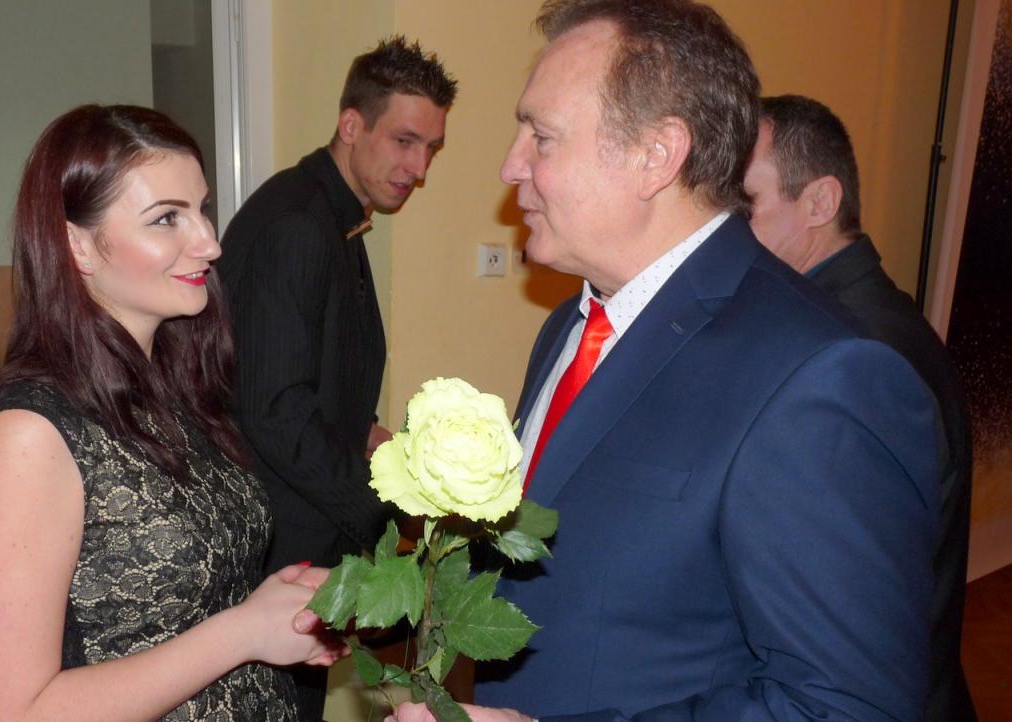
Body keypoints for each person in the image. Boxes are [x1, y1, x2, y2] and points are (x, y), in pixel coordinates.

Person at [388, 1, 940, 720]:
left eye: (542, 137)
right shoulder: (568, 328)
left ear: (657, 155)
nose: (511, 165)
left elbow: (847, 707)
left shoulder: (821, 377)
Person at [0, 105, 344, 722]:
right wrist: (244, 632)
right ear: (77, 245)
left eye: (202, 209)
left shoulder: (175, 388)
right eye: (166, 218)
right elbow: (7, 714)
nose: (209, 243)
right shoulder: (28, 434)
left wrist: (268, 604)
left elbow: (187, 607)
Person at [217, 36, 457, 719]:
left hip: (296, 530)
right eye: (405, 141)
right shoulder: (299, 225)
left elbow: (315, 380)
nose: (419, 168)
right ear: (352, 125)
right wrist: (386, 511)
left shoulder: (333, 212)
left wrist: (386, 443)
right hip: (276, 546)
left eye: (431, 148)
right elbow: (275, 411)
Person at [744, 93, 976, 722]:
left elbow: (850, 616)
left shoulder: (856, 353)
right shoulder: (843, 322)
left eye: (745, 203)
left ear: (820, 202)